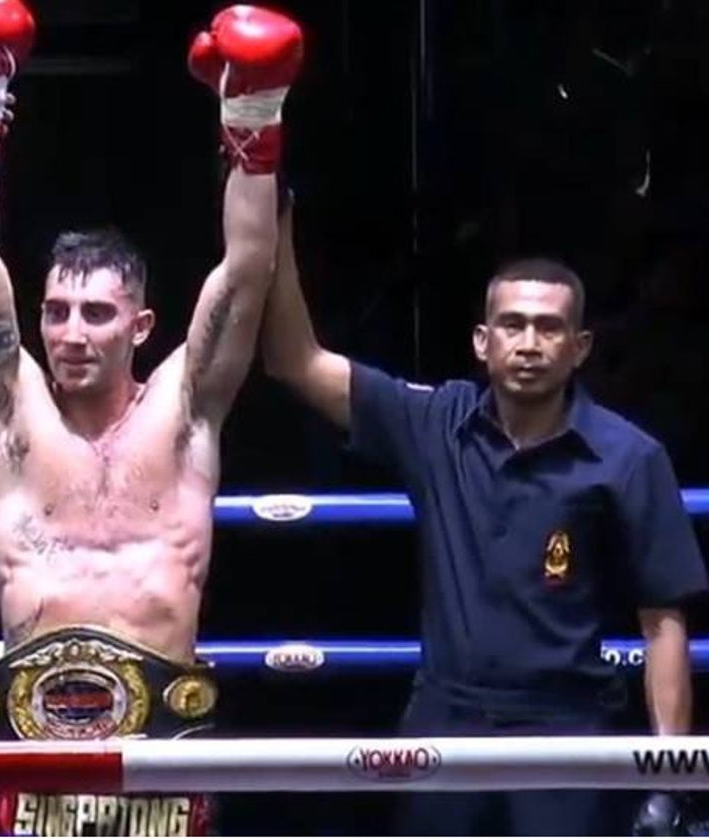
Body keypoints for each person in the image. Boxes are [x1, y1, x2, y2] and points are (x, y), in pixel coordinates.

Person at [0, 0, 305, 835]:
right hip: (31, 767)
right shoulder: (10, 417)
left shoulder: (182, 411)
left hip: (165, 760)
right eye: (57, 311)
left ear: (140, 325)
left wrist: (253, 115)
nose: (70, 333)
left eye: (96, 314)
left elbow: (246, 274)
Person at [260, 194, 708, 835]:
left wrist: (670, 780)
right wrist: (272, 222)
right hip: (447, 717)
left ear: (580, 346)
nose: (529, 344)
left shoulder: (629, 458)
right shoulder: (434, 424)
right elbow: (294, 360)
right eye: (513, 324)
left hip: (569, 725)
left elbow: (663, 625)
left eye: (549, 328)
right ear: (482, 340)